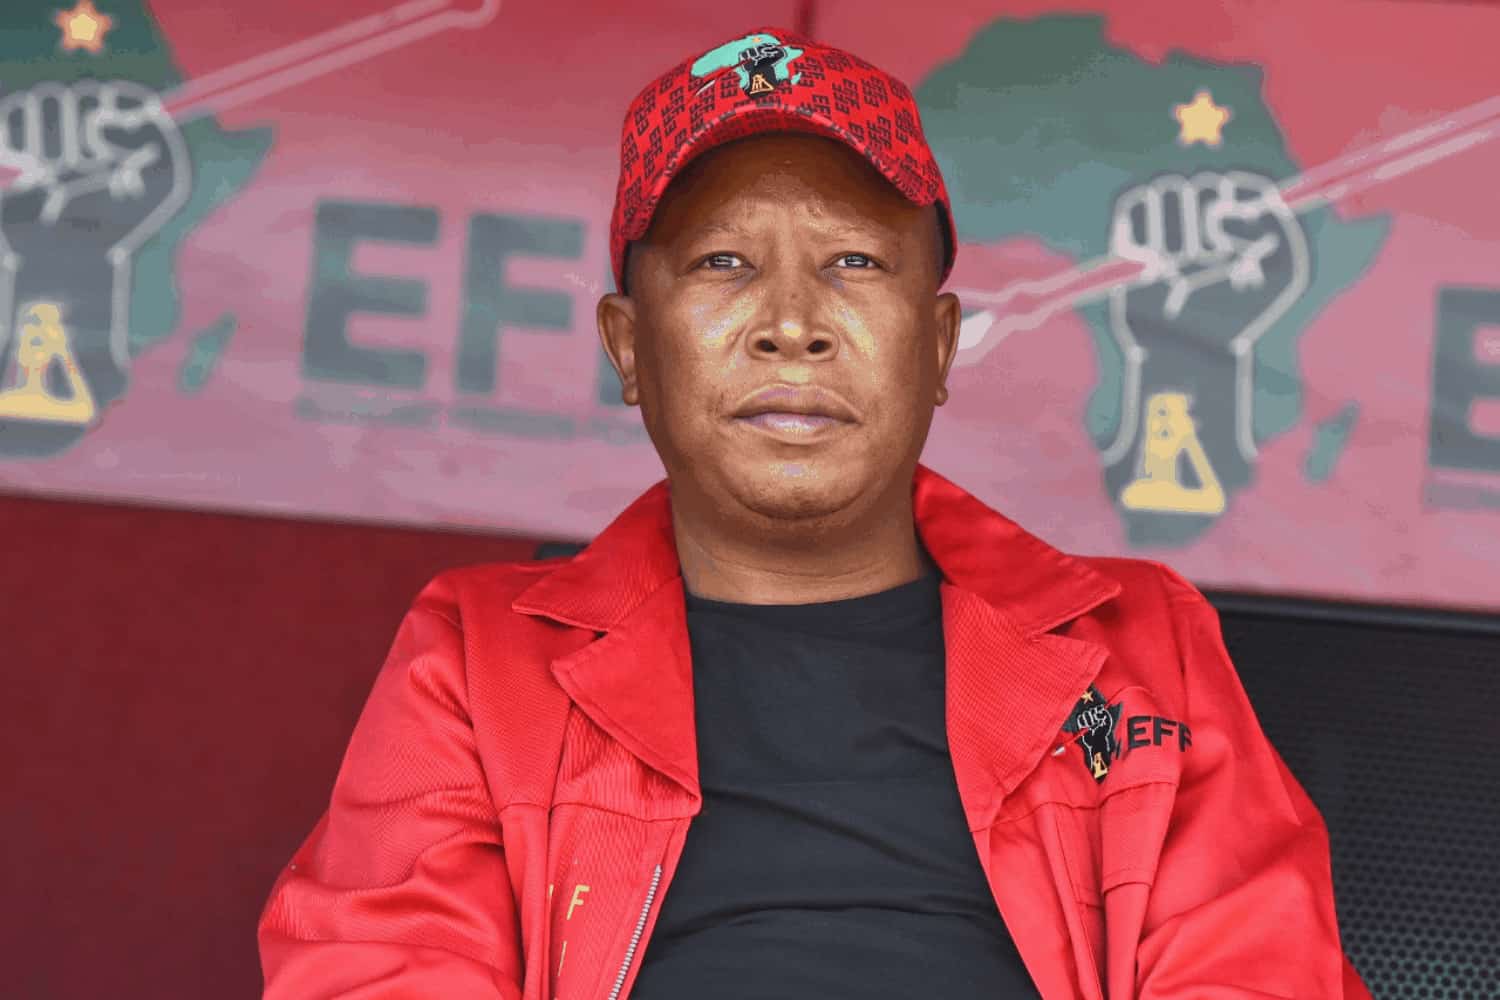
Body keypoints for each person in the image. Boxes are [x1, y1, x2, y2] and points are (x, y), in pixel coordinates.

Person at [258, 25, 1372, 999]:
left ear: (938, 346)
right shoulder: (478, 662)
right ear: (629, 347)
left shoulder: (1136, 650)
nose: (792, 322)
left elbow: (1257, 967)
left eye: (854, 260)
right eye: (723, 260)